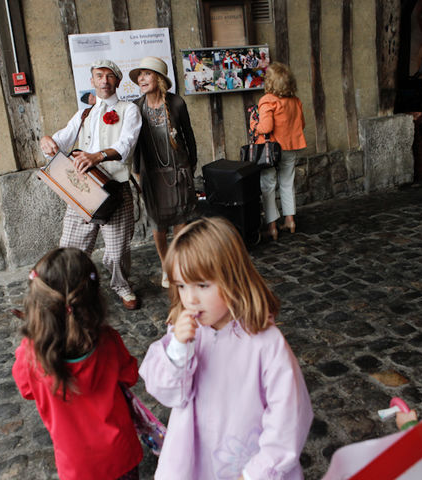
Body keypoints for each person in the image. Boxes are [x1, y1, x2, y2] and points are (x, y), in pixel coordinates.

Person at [139, 217, 314, 480]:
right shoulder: (185, 335)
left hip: (245, 466)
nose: (190, 298)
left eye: (202, 285)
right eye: (182, 286)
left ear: (232, 278)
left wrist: (256, 473)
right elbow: (168, 393)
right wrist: (177, 350)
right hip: (193, 463)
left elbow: (289, 417)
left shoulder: (266, 342)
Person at [12, 248, 143, 479]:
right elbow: (130, 376)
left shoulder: (30, 355)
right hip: (120, 454)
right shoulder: (108, 341)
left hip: (76, 465)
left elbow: (26, 390)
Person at [40, 59, 142, 310]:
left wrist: (97, 156)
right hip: (82, 189)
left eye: (109, 76)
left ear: (117, 81)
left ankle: (121, 285)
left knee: (117, 251)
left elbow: (126, 145)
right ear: (92, 80)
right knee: (71, 248)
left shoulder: (129, 110)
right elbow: (62, 139)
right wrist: (47, 141)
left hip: (114, 189)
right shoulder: (84, 112)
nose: (104, 81)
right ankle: (70, 293)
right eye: (99, 76)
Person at [130, 57, 197, 289]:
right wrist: (137, 172)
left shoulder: (177, 103)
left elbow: (189, 137)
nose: (141, 79)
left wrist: (191, 166)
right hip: (152, 175)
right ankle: (166, 266)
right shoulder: (136, 107)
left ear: (158, 79)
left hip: (178, 171)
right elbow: (135, 144)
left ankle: (178, 263)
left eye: (146, 74)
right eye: (140, 75)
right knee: (158, 223)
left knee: (181, 219)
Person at [251, 62, 306, 241]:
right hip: (290, 147)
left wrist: (253, 125)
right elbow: (301, 124)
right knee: (287, 183)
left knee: (267, 186)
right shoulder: (295, 101)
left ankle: (272, 227)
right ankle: (290, 220)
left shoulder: (267, 100)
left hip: (271, 150)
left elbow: (266, 127)